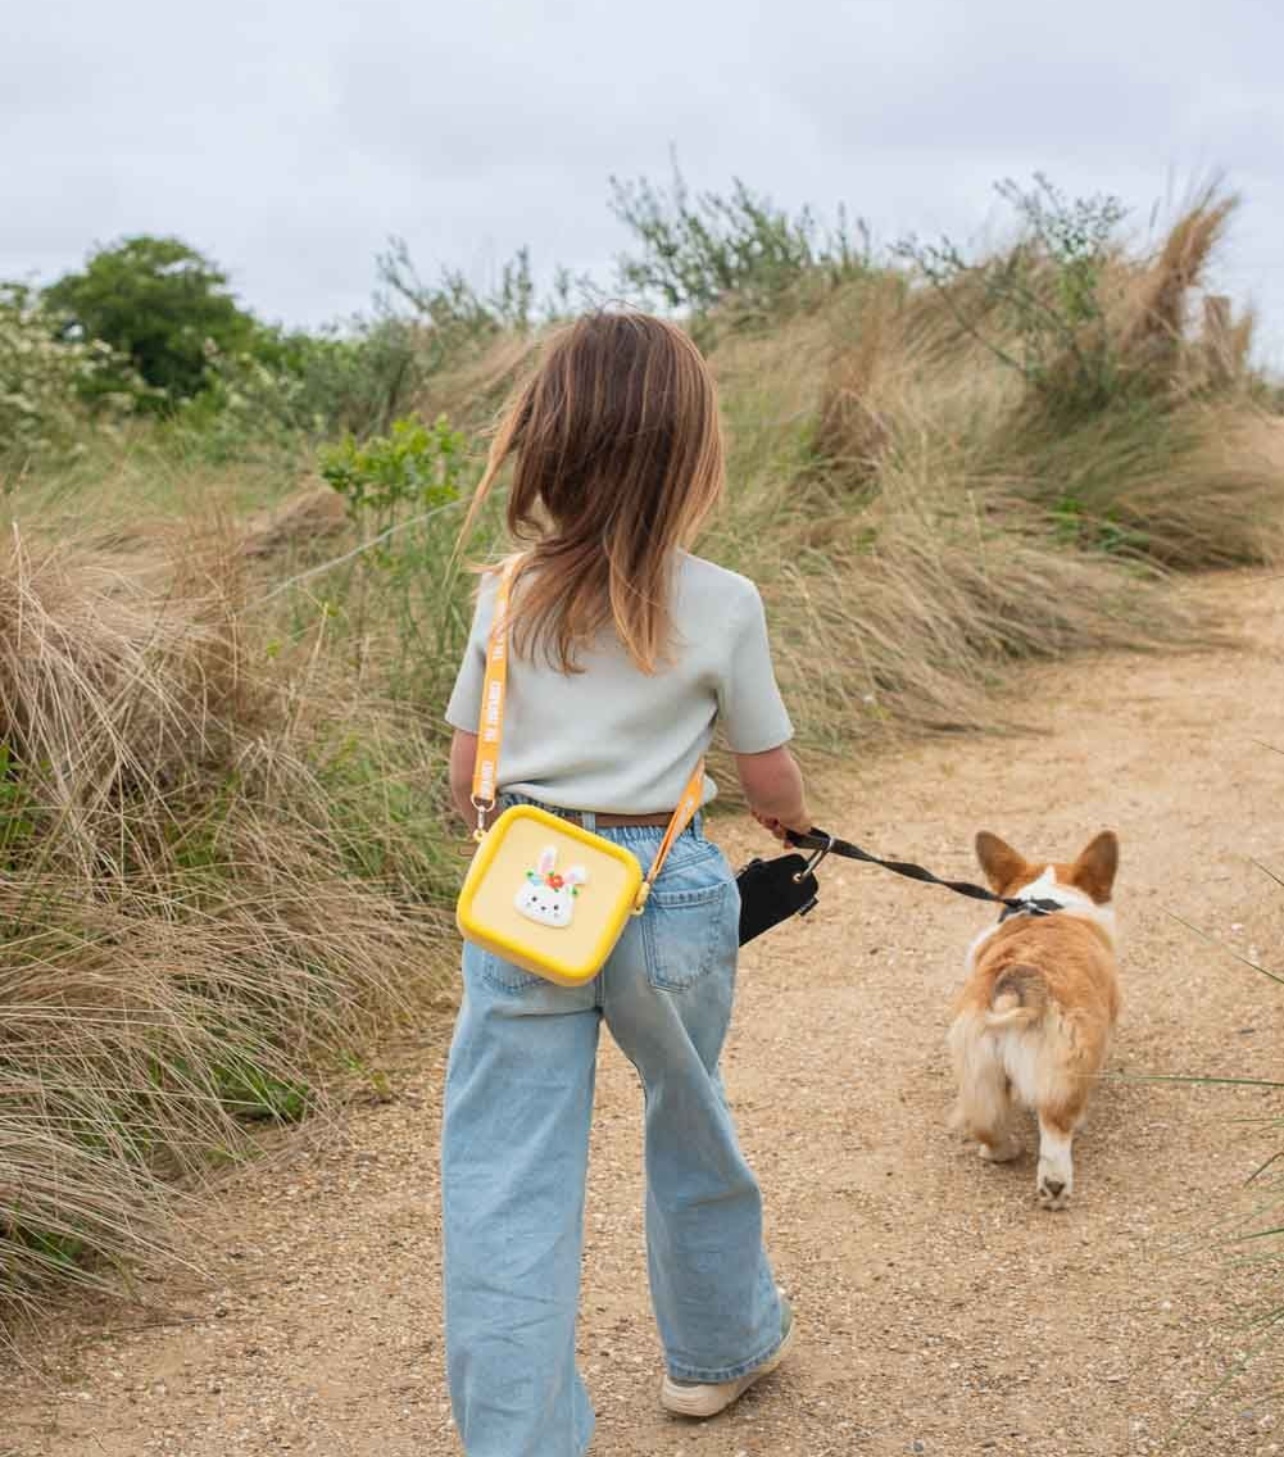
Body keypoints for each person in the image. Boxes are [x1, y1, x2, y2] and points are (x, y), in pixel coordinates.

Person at [441, 311, 812, 1456]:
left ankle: (518, 1433)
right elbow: (767, 776)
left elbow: (468, 783)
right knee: (688, 1116)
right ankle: (718, 1353)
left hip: (529, 896)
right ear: (691, 455)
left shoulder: (505, 596)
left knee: (505, 1167)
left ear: (546, 441)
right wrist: (797, 827)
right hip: (668, 892)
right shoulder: (725, 600)